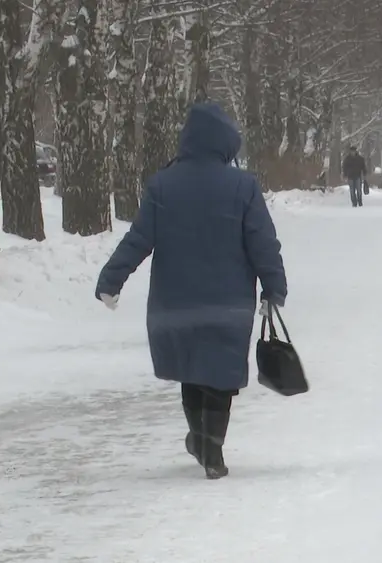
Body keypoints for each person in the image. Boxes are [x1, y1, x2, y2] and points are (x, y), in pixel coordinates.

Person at [95, 102, 288, 480]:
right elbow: (263, 242)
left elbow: (138, 240)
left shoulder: (163, 184)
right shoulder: (243, 186)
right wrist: (273, 288)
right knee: (221, 376)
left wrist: (111, 280)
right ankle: (210, 446)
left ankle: (202, 439)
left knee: (191, 372)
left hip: (175, 304)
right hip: (229, 306)